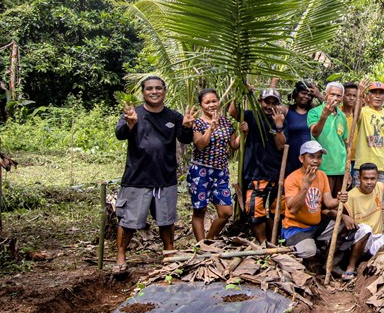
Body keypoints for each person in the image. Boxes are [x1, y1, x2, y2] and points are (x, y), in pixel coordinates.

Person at [113, 76, 195, 273]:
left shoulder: (173, 116)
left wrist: (186, 126)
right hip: (137, 178)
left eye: (158, 88)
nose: (154, 91)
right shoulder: (134, 113)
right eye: (149, 89)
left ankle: (169, 255)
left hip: (165, 178)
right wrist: (130, 123)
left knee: (166, 221)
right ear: (143, 92)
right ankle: (121, 257)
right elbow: (120, 133)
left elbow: (185, 140)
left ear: (164, 91)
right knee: (129, 222)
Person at [281, 141, 363, 271]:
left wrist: (339, 199)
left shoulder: (322, 175)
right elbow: (293, 209)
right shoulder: (292, 179)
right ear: (301, 158)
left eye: (319, 157)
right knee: (309, 251)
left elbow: (329, 202)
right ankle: (312, 257)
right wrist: (305, 187)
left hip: (317, 225)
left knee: (348, 226)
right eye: (311, 157)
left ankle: (331, 264)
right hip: (296, 228)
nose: (316, 161)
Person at [188, 88, 239, 242]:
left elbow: (234, 145)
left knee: (226, 212)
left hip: (221, 172)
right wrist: (211, 127)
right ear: (201, 105)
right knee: (199, 210)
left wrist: (244, 134)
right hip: (200, 171)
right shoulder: (197, 123)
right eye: (207, 102)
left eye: (214, 101)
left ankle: (209, 240)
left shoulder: (226, 122)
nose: (211, 105)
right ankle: (201, 245)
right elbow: (200, 145)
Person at [240, 88, 287, 243]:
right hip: (256, 172)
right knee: (255, 210)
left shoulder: (281, 119)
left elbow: (281, 146)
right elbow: (233, 110)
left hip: (276, 173)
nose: (270, 106)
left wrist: (278, 125)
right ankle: (262, 242)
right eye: (267, 101)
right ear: (260, 102)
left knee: (277, 211)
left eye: (274, 102)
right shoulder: (251, 116)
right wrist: (242, 90)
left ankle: (272, 241)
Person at [339, 162, 384, 279]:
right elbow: (328, 211)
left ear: (377, 178)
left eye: (372, 178)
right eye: (365, 178)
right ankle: (351, 266)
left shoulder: (380, 187)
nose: (369, 182)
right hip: (358, 238)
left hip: (377, 237)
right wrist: (344, 217)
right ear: (359, 178)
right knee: (366, 229)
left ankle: (369, 266)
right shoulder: (351, 195)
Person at [353, 81, 384, 185]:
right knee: (361, 199)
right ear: (368, 96)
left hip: (383, 168)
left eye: (381, 93)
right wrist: (360, 94)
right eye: (374, 93)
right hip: (363, 166)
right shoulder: (363, 111)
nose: (377, 96)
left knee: (382, 199)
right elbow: (355, 114)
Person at [308, 81, 350, 196]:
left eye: (338, 96)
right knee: (322, 204)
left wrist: (348, 169)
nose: (335, 98)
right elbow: (315, 133)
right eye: (332, 94)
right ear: (325, 95)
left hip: (340, 169)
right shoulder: (314, 112)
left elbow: (345, 144)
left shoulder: (342, 116)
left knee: (337, 204)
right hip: (323, 168)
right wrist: (324, 115)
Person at [284, 81, 315, 174]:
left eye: (309, 95)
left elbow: (328, 109)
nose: (306, 96)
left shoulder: (313, 112)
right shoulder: (286, 110)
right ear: (296, 93)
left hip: (310, 157)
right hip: (290, 155)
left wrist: (317, 94)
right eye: (303, 93)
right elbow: (270, 107)